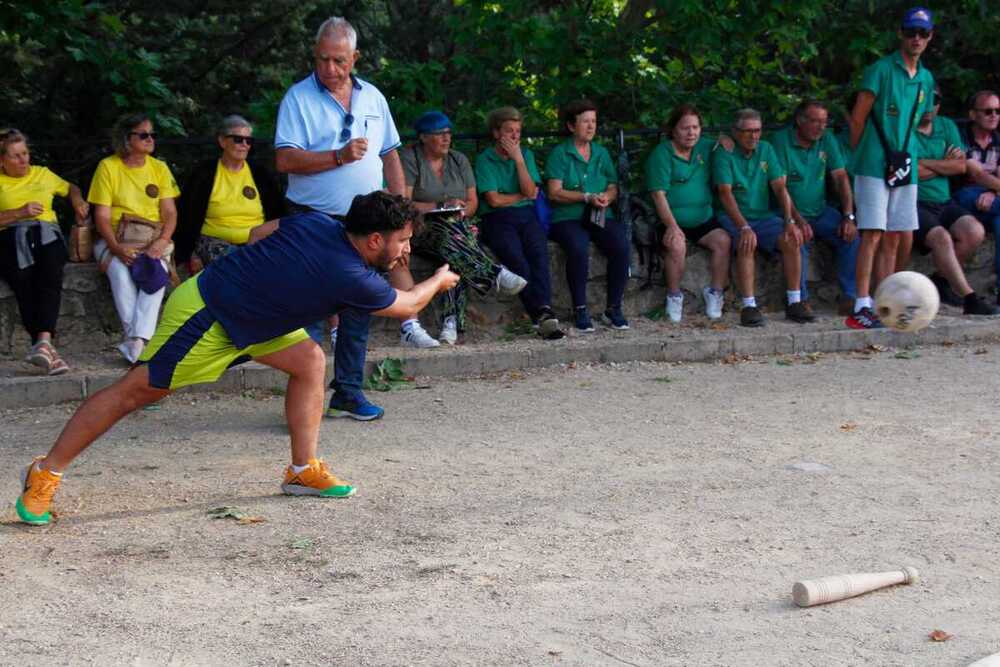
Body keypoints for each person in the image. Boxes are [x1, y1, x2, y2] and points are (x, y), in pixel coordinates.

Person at [13, 191, 460, 526]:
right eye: (402, 242)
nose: (405, 251)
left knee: (308, 360)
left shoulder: (318, 223)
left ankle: (302, 471)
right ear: (375, 239)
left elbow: (260, 233)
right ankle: (42, 475)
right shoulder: (349, 274)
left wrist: (267, 277)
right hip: (210, 315)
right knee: (134, 393)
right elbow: (407, 305)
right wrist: (439, 279)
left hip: (257, 316)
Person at [273, 16, 425, 422]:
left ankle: (349, 392)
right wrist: (337, 157)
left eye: (339, 60)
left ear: (355, 57)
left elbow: (389, 153)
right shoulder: (297, 99)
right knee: (306, 311)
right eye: (323, 59)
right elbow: (285, 159)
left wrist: (400, 210)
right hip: (313, 219)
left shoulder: (373, 97)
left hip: (364, 223)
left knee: (359, 307)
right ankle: (304, 403)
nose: (330, 69)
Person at [401, 110, 527, 344]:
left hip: (457, 226)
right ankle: (492, 275)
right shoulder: (410, 158)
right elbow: (405, 203)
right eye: (439, 134)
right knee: (454, 239)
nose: (446, 138)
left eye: (448, 133)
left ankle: (451, 323)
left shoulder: (459, 160)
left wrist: (459, 212)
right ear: (424, 137)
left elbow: (473, 203)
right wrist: (439, 205)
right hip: (422, 228)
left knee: (452, 247)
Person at [846, 7, 936, 329]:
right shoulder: (880, 69)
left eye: (922, 33)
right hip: (873, 162)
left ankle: (886, 302)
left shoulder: (926, 77)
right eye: (910, 32)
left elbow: (921, 120)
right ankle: (861, 303)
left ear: (930, 37)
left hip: (905, 163)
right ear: (900, 33)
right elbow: (858, 118)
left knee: (897, 235)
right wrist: (859, 155)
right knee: (872, 233)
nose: (916, 38)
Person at [88, 113, 180, 363]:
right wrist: (116, 248)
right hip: (116, 237)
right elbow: (102, 218)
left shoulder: (159, 168)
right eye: (143, 135)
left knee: (156, 272)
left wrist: (162, 242)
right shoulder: (108, 167)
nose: (150, 139)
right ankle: (139, 342)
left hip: (152, 238)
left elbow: (170, 213)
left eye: (152, 135)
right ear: (127, 139)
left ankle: (135, 341)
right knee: (119, 271)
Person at [0, 129, 89, 375]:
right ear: (2, 160)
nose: (24, 160)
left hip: (46, 233)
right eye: (16, 156)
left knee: (50, 273)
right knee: (22, 281)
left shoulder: (42, 173)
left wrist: (77, 200)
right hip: (10, 235)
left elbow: (70, 187)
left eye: (25, 153)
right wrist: (19, 212)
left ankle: (42, 343)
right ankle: (48, 348)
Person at [714, 108, 809, 327]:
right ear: (736, 132)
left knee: (792, 238)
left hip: (763, 216)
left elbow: (780, 188)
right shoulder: (724, 152)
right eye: (747, 131)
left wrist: (789, 221)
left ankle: (795, 302)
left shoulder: (766, 149)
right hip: (734, 216)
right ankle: (749, 306)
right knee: (748, 241)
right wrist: (744, 227)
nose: (753, 136)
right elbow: (725, 194)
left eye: (757, 130)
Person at [476, 106, 564, 339]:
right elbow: (493, 200)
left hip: (526, 214)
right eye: (509, 131)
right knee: (516, 260)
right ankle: (542, 313)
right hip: (497, 219)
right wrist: (520, 196)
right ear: (496, 133)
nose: (515, 136)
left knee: (539, 255)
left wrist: (518, 160)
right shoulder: (485, 159)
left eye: (518, 131)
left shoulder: (525, 155)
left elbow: (531, 192)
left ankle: (542, 313)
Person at [545, 99, 630, 332]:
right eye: (585, 122)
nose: (591, 126)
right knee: (578, 246)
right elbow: (554, 192)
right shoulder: (560, 154)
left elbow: (613, 185)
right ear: (572, 126)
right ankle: (580, 309)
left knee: (621, 244)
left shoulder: (601, 152)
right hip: (567, 217)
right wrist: (585, 197)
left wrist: (607, 198)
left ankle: (613, 307)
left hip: (599, 214)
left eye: (593, 121)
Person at [912, 95, 1000, 315]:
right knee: (942, 238)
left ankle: (941, 281)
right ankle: (970, 298)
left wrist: (924, 163)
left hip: (945, 201)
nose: (931, 105)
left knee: (975, 231)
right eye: (988, 111)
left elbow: (959, 166)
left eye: (936, 100)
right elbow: (908, 171)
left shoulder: (947, 125)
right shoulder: (905, 128)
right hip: (916, 202)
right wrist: (945, 164)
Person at [771, 100, 860, 315]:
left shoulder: (826, 139)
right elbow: (780, 187)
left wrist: (848, 216)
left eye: (824, 122)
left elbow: (840, 177)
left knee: (852, 237)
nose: (821, 127)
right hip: (787, 213)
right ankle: (800, 300)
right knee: (796, 241)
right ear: (800, 121)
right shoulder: (780, 141)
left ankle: (850, 296)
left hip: (820, 211)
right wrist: (797, 220)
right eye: (815, 121)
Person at [645, 104, 730, 323]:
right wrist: (672, 226)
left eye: (695, 127)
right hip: (671, 219)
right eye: (685, 128)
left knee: (723, 241)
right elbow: (658, 195)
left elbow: (728, 143)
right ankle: (674, 296)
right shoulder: (662, 154)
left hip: (702, 218)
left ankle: (716, 293)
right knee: (676, 245)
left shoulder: (704, 147)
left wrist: (724, 139)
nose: (691, 133)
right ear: (673, 129)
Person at [175, 115, 285, 271]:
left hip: (257, 241)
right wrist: (189, 252)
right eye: (238, 139)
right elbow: (187, 215)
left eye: (248, 141)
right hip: (214, 242)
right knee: (236, 263)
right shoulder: (204, 173)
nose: (244, 145)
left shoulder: (261, 174)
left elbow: (278, 213)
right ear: (222, 141)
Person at [954, 90, 1000, 305]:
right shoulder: (961, 137)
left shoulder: (998, 140)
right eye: (988, 111)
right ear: (973, 114)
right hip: (961, 196)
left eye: (998, 111)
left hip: (992, 201)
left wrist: (993, 192)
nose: (994, 115)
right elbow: (975, 173)